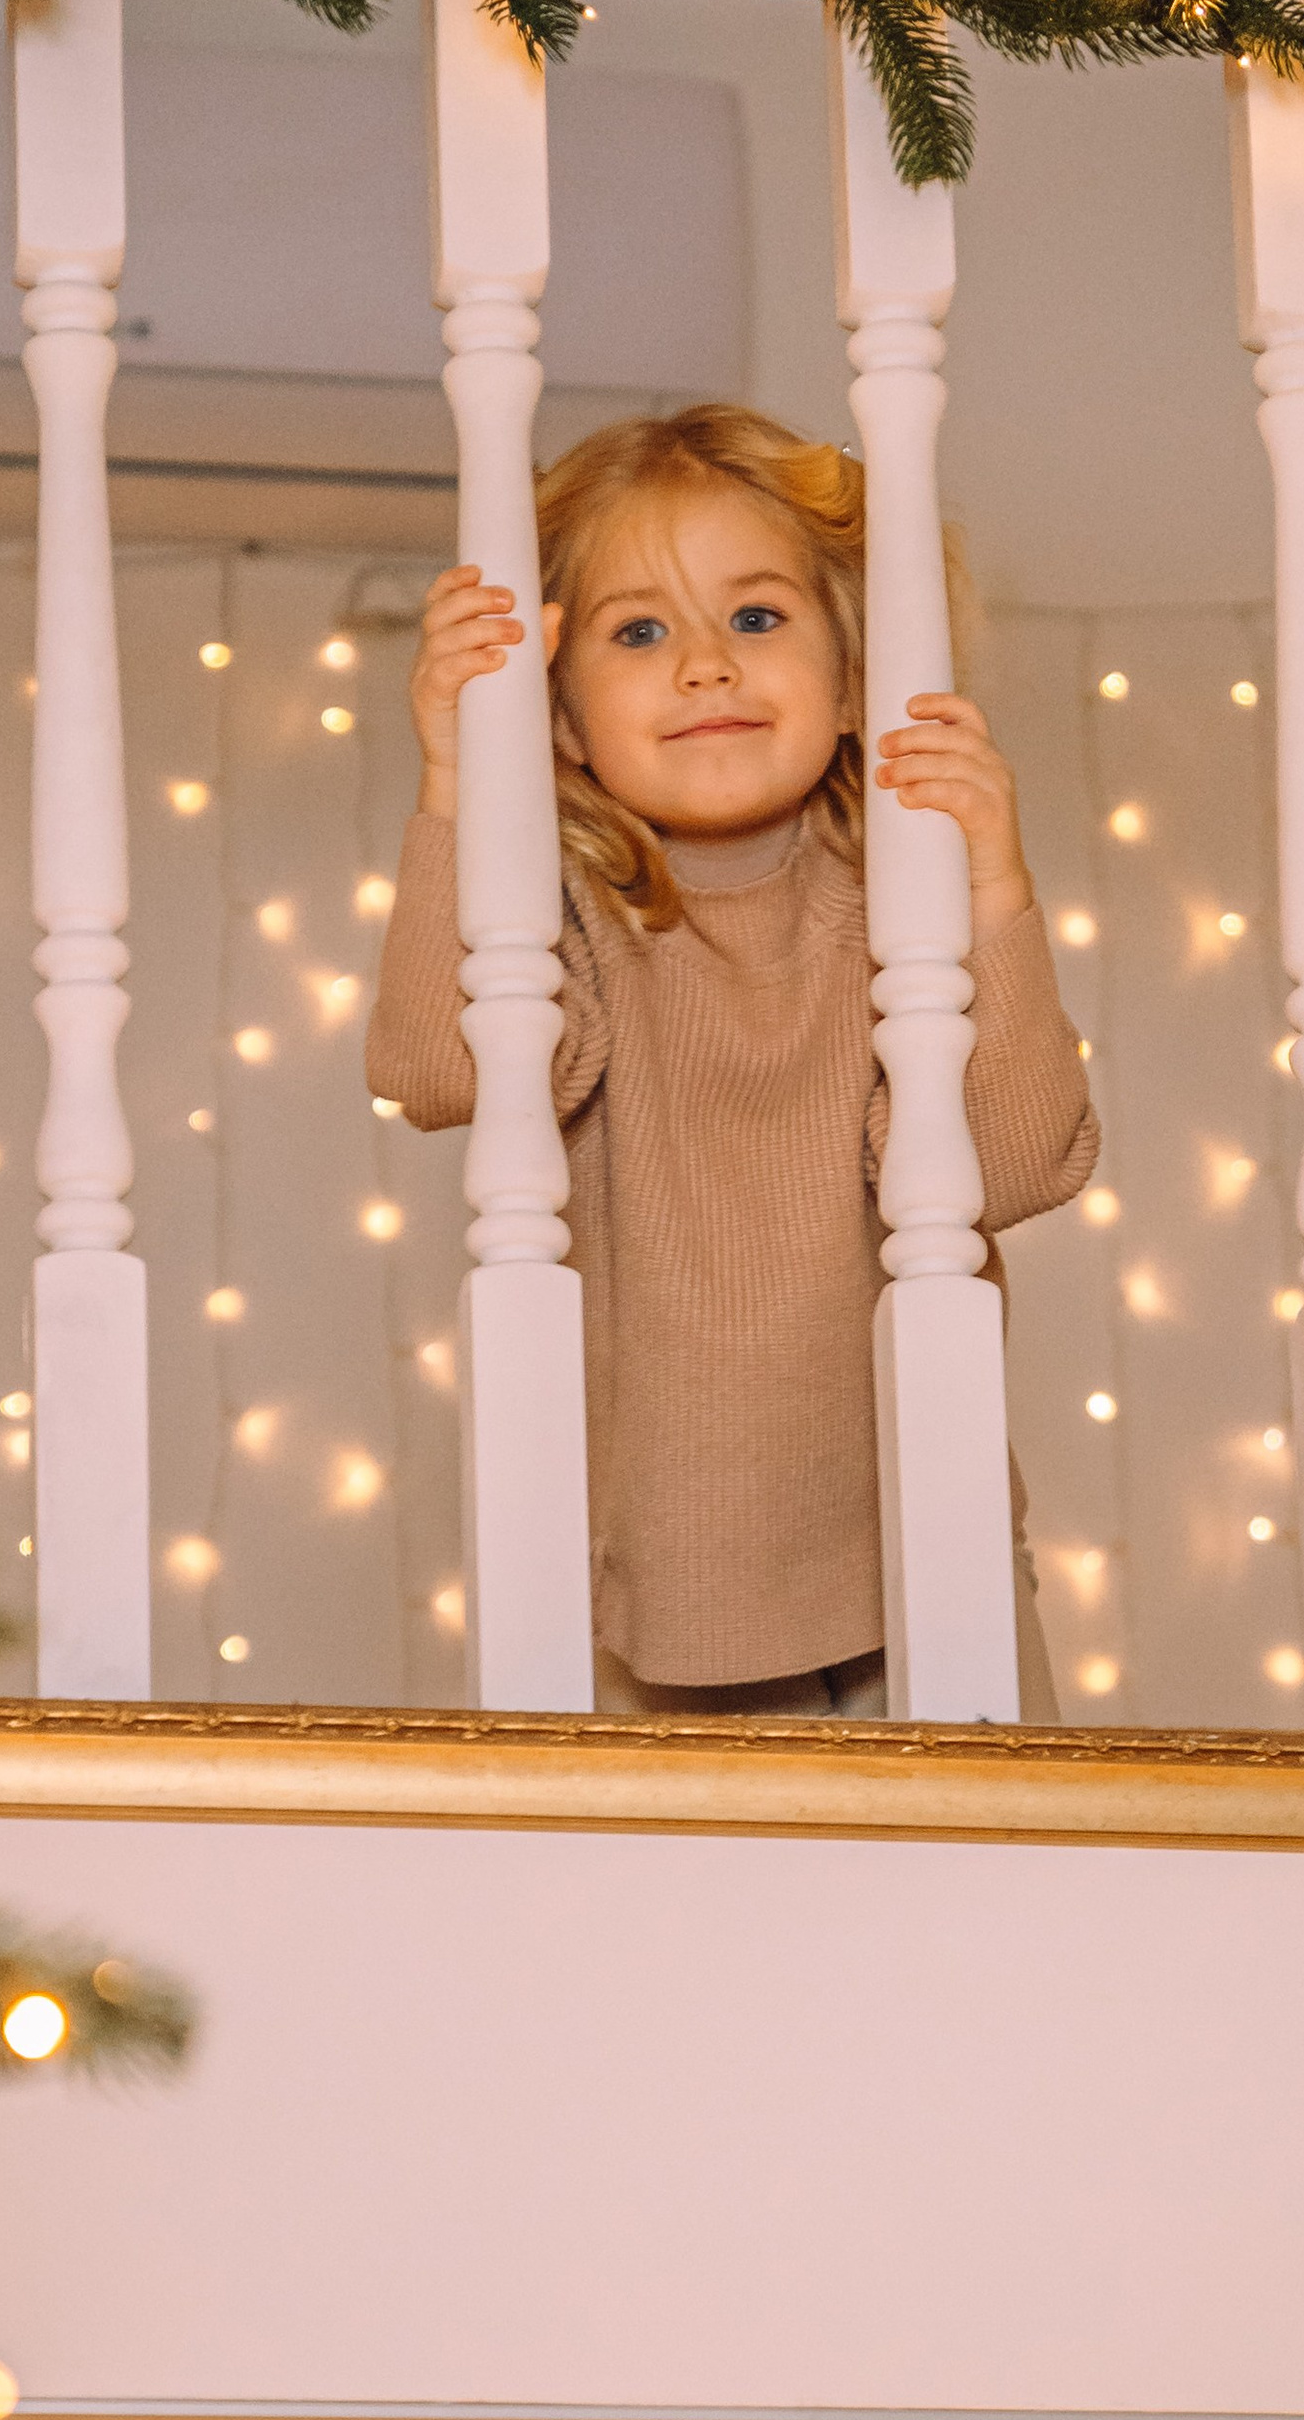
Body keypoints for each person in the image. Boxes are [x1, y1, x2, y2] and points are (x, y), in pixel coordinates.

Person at [365, 404, 1097, 1721]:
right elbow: (434, 1070)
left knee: (995, 1907)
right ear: (566, 720)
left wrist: (995, 892)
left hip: (925, 1548)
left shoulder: (902, 903)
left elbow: (1012, 1163)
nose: (704, 665)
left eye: (756, 618)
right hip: (651, 1575)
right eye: (639, 631)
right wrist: (453, 784)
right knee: (677, 1921)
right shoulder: (565, 913)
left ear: (854, 670)